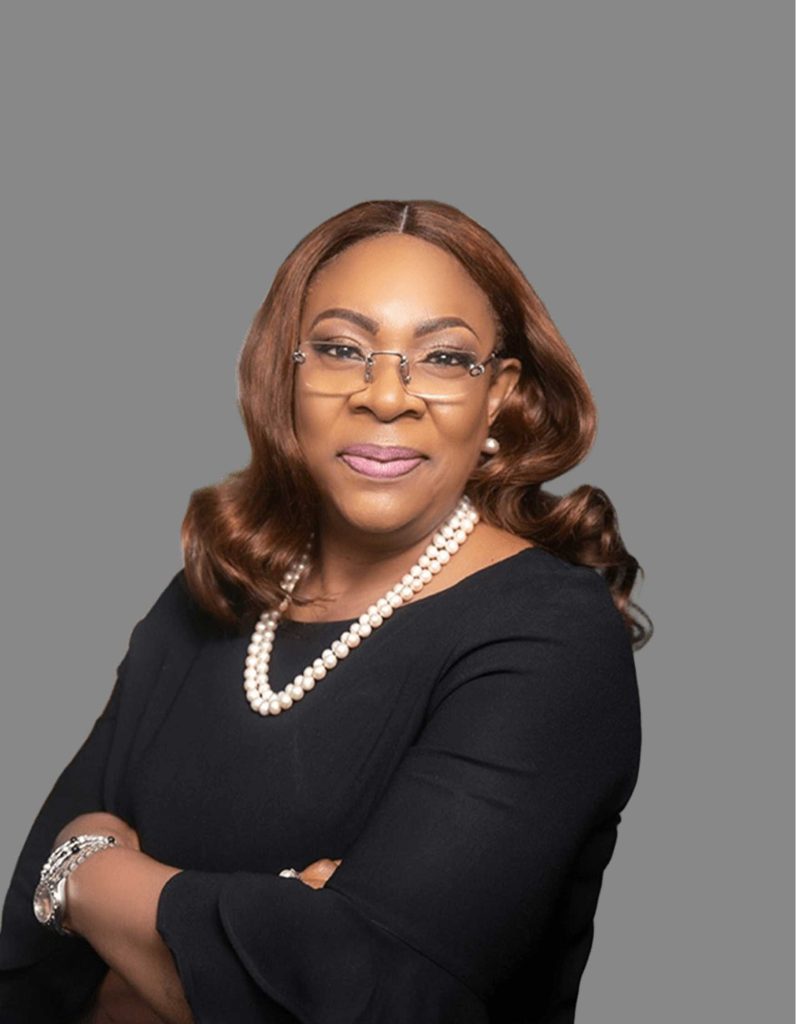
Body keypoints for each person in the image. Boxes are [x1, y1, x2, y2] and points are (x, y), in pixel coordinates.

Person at [0, 198, 651, 1024]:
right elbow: (25, 972)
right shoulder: (212, 596)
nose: (387, 396)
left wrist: (90, 877)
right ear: (289, 374)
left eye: (444, 357)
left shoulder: (550, 637)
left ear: (498, 396)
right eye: (343, 349)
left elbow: (368, 999)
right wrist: (259, 939)